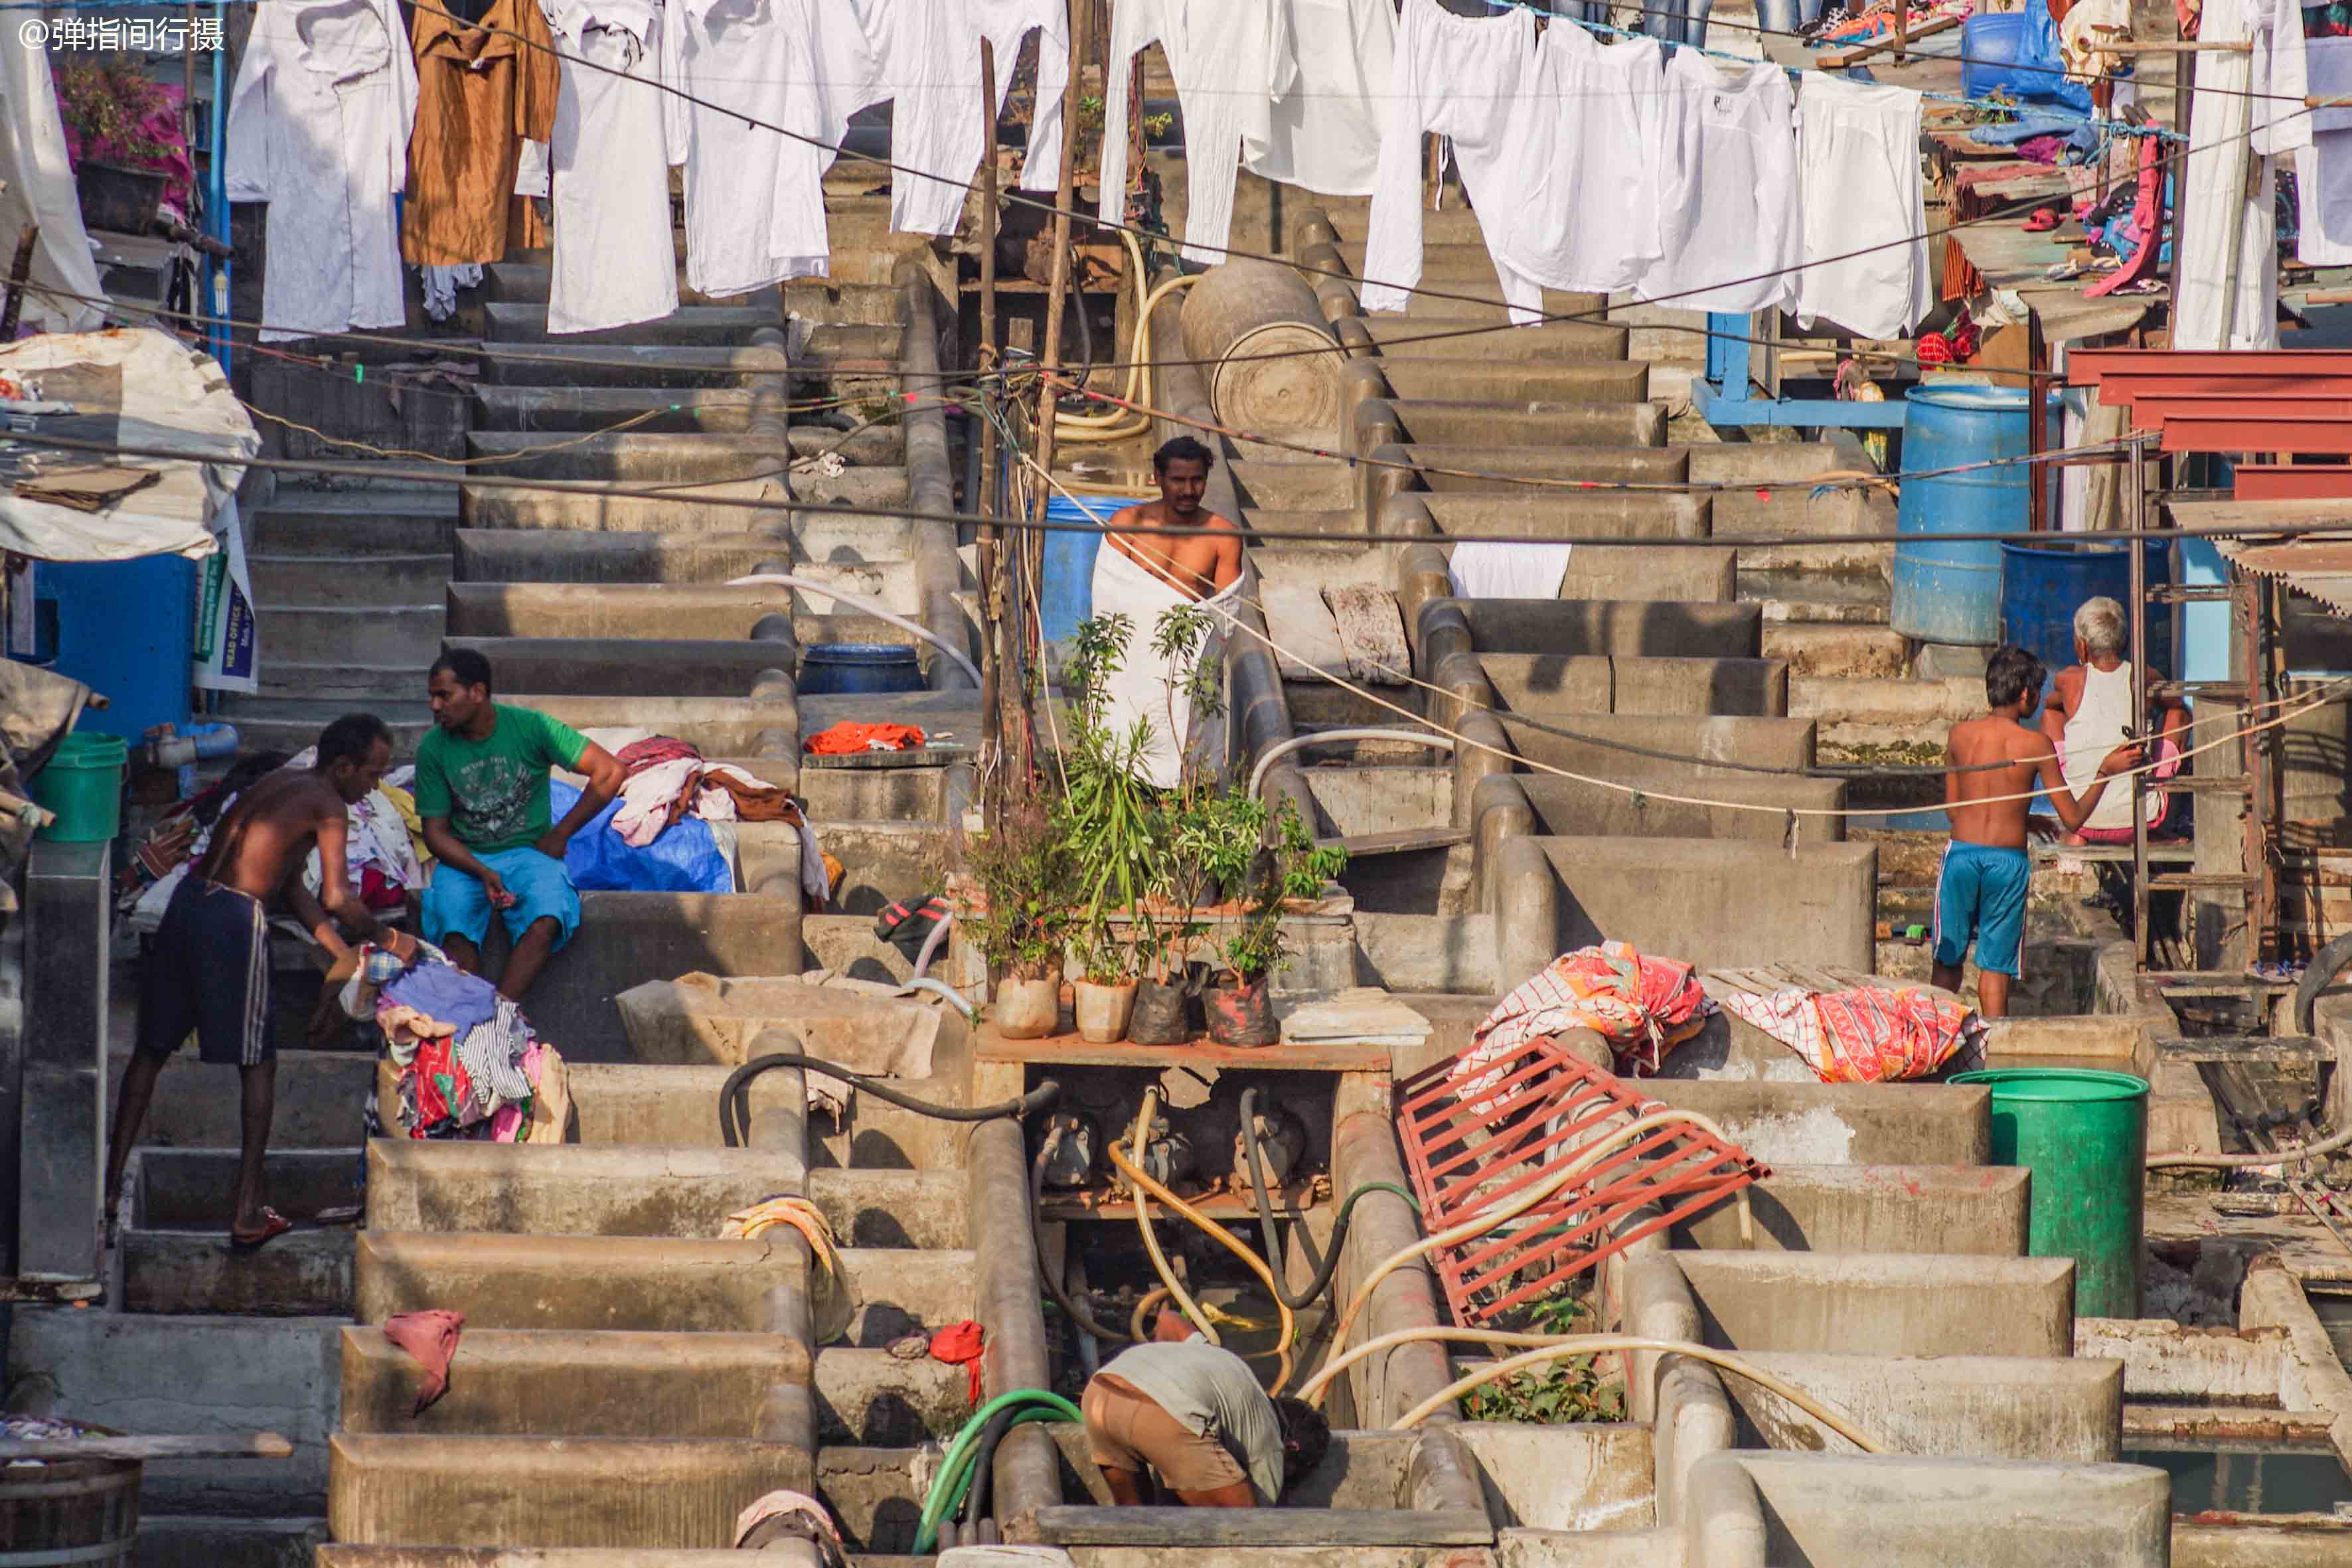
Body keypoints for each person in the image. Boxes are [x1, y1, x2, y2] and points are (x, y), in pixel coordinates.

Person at [105, 714, 416, 1249]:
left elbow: (292, 883)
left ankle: (107, 1193)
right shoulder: (329, 804)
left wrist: (337, 949)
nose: (375, 786)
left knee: (150, 1051)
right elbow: (338, 896)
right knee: (259, 1063)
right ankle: (247, 1210)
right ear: (342, 766)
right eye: (371, 774)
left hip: (188, 903)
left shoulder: (278, 782)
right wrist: (388, 940)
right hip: (233, 919)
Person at [1935, 645, 2142, 1018]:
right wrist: (2105, 771)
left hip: (1961, 856)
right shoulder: (2036, 744)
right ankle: (1993, 1052)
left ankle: (1931, 1044)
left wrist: (2016, 814)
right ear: (2026, 694)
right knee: (1995, 968)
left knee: (1947, 962)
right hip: (2006, 865)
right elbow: (2074, 818)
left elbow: (1955, 811)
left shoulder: (1958, 735)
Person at [414, 649, 623, 1002]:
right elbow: (435, 833)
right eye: (432, 697)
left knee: (550, 911)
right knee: (452, 920)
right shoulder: (433, 748)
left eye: (444, 696)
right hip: (464, 859)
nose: (435, 706)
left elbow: (611, 771)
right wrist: (480, 870)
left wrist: (562, 833)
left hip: (528, 853)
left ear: (477, 693)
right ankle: (473, 1009)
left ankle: (503, 1011)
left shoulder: (532, 728)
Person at [1081, 1307, 1331, 1508]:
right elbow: (1257, 1528)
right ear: (1292, 1447)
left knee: (1135, 1524)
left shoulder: (1223, 1360)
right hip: (1160, 1414)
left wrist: (1162, 1373)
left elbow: (1169, 1320)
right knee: (1244, 1528)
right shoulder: (1271, 1442)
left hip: (1101, 1391)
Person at [2038, 595, 2190, 846]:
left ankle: (2076, 832)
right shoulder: (2145, 676)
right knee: (2179, 717)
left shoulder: (2068, 680)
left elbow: (2050, 707)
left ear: (2083, 647)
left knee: (2049, 717)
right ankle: (2150, 830)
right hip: (2142, 819)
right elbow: (2176, 705)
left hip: (2080, 818)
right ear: (2126, 642)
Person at [1103, 436, 1243, 602]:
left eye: (1197, 480)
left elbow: (1227, 612)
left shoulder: (1224, 537)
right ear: (1158, 478)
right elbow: (1107, 596)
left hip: (1193, 627)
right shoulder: (1126, 525)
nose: (1188, 491)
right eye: (1178, 480)